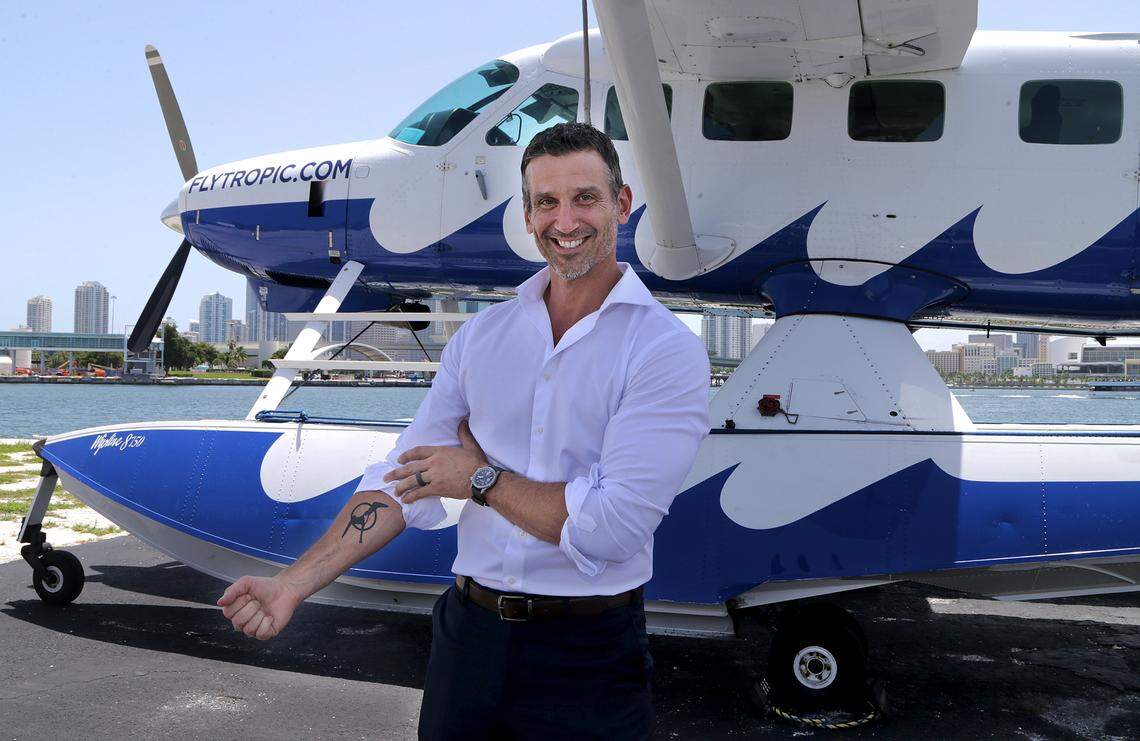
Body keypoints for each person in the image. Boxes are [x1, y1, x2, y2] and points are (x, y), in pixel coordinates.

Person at [218, 122, 711, 740]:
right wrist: (292, 585)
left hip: (589, 653)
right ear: (527, 217)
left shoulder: (664, 351)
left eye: (585, 197)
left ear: (621, 203)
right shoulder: (482, 338)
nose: (566, 220)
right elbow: (402, 480)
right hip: (469, 642)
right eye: (546, 202)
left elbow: (611, 530)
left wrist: (478, 477)